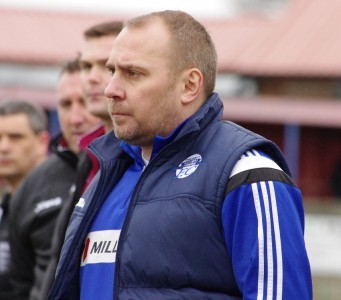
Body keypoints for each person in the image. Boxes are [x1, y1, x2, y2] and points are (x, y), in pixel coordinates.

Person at [49, 10, 312, 299]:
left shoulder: (247, 173)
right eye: (113, 71)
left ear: (189, 86)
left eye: (133, 73)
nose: (110, 90)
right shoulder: (107, 174)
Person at [39, 21, 123, 299]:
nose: (92, 78)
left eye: (107, 65)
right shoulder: (89, 157)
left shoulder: (150, 157)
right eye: (87, 66)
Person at [8, 58, 100, 300]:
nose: (75, 118)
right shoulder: (36, 183)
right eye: (65, 104)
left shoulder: (128, 170)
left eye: (85, 101)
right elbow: (19, 283)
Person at [0, 100, 49, 300]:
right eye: (0, 137)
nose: (4, 147)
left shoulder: (51, 205)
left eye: (16, 137)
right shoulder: (7, 204)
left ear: (42, 142)